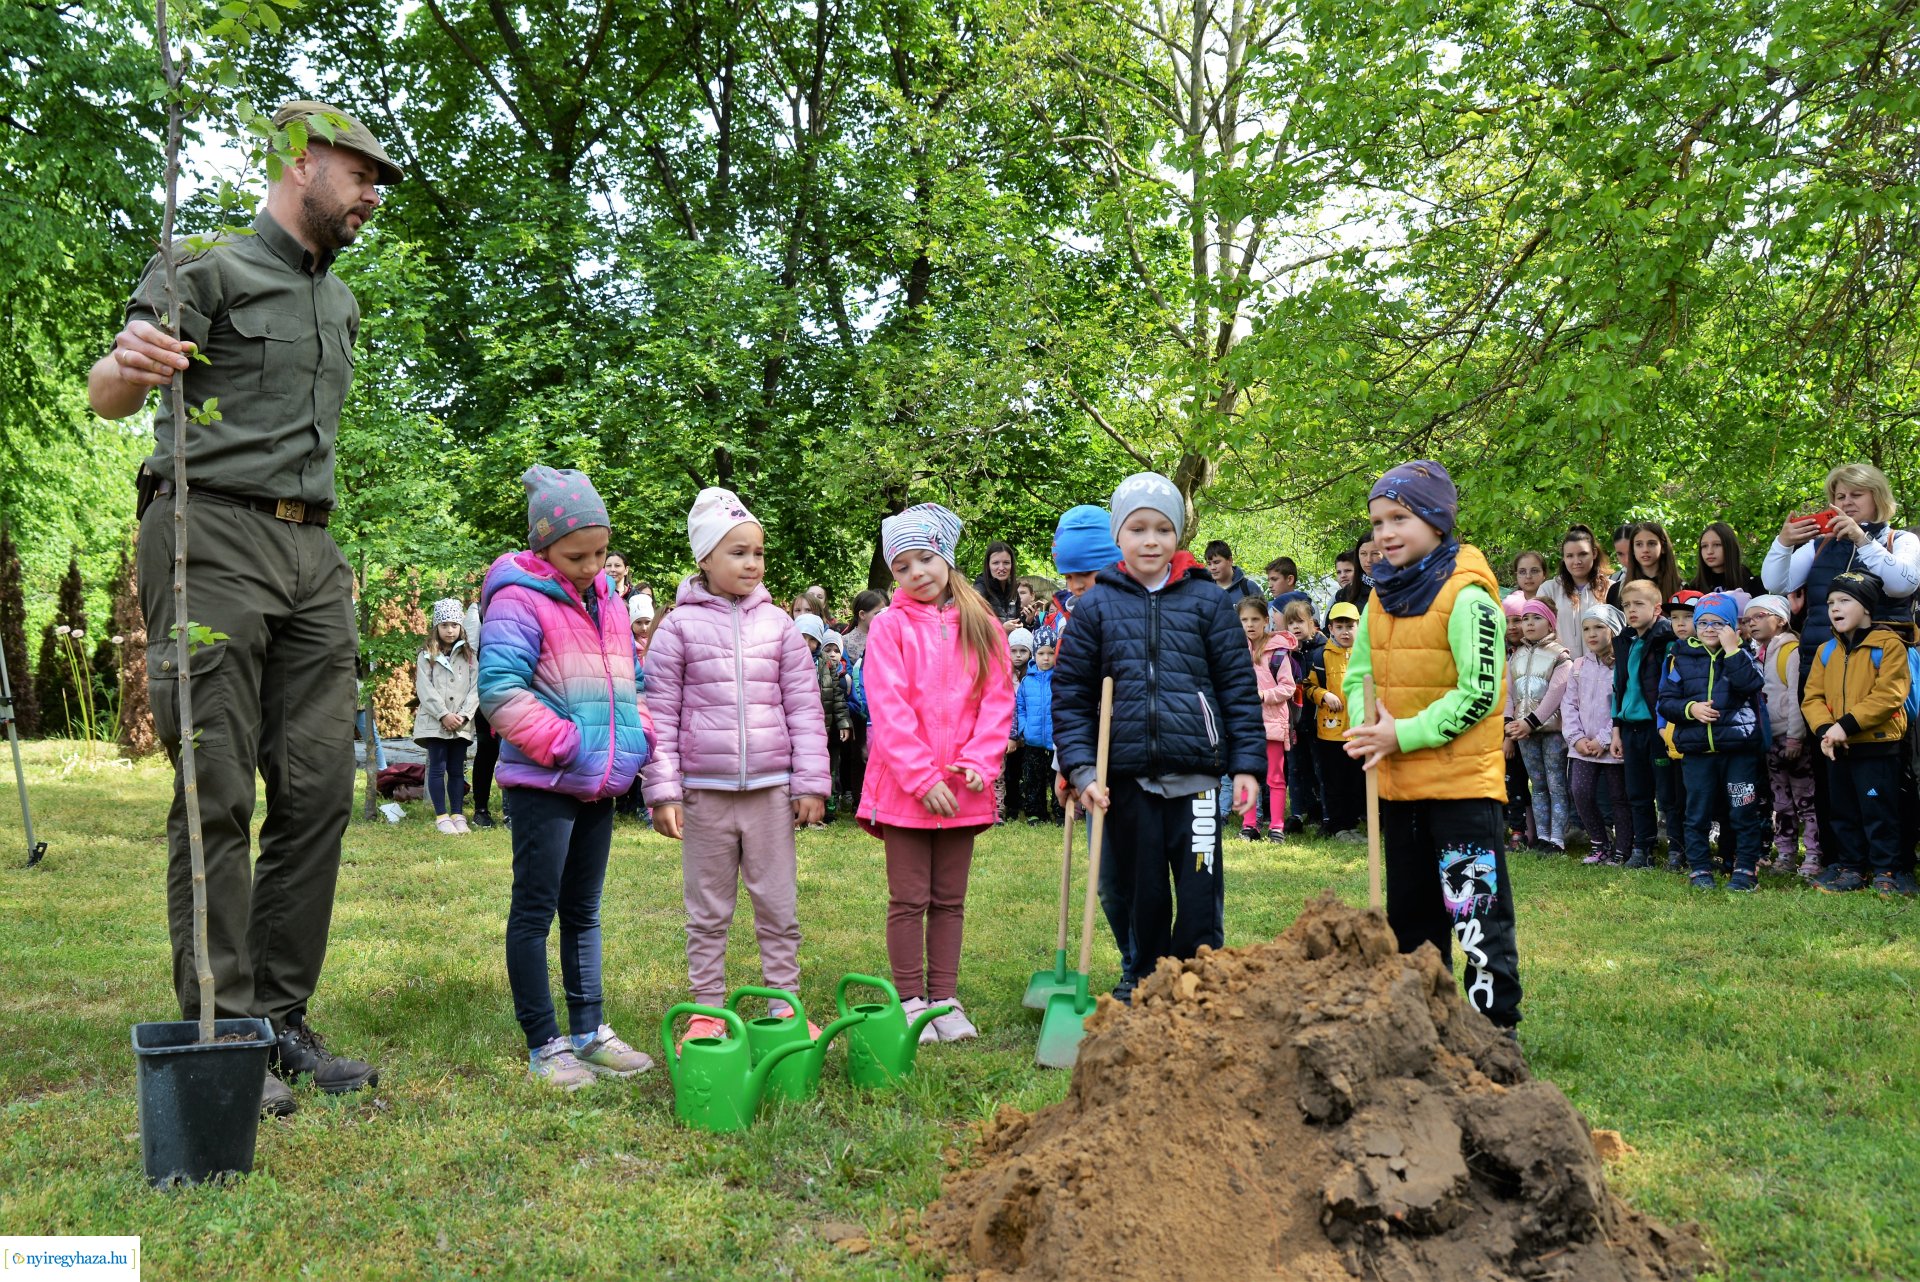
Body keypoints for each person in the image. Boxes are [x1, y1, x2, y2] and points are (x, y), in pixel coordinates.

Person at [87, 100, 400, 1116]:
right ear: (302, 163)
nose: (370, 197)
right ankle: (220, 1035)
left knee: (317, 794)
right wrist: (128, 365)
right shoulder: (203, 270)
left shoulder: (341, 303)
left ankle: (279, 1020)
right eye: (360, 175)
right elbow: (111, 388)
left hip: (314, 550)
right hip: (208, 536)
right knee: (217, 788)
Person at [1054, 473, 1264, 1003]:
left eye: (1163, 529)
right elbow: (1073, 695)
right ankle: (1144, 978)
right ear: (1118, 537)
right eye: (1138, 528)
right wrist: (1082, 769)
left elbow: (1238, 687)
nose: (1151, 540)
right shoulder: (1096, 606)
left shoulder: (1207, 602)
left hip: (1195, 777)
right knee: (1140, 891)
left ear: (1178, 535)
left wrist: (1246, 766)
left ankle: (1197, 980)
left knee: (1198, 890)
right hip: (1127, 779)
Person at [479, 466, 654, 1089]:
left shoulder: (607, 599)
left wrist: (639, 739)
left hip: (598, 782)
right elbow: (499, 692)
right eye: (577, 554)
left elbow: (628, 683)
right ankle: (544, 1041)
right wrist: (567, 745)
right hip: (543, 782)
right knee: (535, 910)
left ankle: (589, 1030)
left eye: (601, 552)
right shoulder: (516, 598)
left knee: (584, 911)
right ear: (542, 547)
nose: (591, 565)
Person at [641, 488, 831, 1041]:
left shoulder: (779, 627)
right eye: (738, 552)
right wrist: (664, 791)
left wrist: (811, 783)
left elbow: (804, 710)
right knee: (708, 910)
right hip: (704, 794)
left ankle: (784, 1005)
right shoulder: (676, 629)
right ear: (704, 558)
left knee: (778, 904)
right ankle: (706, 1009)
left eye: (758, 553)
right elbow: (661, 715)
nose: (752, 563)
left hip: (772, 792)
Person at [1341, 460, 1520, 1030]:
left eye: (1400, 517)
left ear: (1438, 521)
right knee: (1410, 919)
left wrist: (1403, 733)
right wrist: (1364, 726)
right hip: (1399, 791)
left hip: (1462, 791)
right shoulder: (1377, 598)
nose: (1385, 533)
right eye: (1377, 522)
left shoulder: (1470, 598)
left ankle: (1493, 1030)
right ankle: (1425, 1027)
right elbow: (1355, 675)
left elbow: (1481, 694)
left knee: (1476, 920)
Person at [860, 504, 1015, 1041]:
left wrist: (980, 760)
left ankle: (944, 1000)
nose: (916, 573)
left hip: (963, 789)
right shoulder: (888, 628)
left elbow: (997, 701)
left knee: (950, 899)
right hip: (907, 790)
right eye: (901, 567)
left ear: (946, 557)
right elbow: (889, 708)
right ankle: (909, 1002)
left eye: (925, 558)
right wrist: (921, 778)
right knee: (909, 899)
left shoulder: (984, 625)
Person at [1802, 571, 1913, 895]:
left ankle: (1887, 868)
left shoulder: (1889, 645)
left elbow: (1889, 694)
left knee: (1879, 811)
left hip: (1877, 747)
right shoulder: (1826, 651)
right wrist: (1826, 730)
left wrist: (1844, 726)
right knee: (1844, 811)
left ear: (1866, 607)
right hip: (1837, 746)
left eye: (1844, 600)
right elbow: (1812, 697)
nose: (1835, 608)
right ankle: (1851, 868)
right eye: (1831, 602)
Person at [1657, 592, 1768, 890]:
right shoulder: (1680, 658)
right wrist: (1689, 709)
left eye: (1719, 623)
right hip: (1697, 752)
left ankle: (1745, 869)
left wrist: (1732, 650)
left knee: (1742, 810)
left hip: (1738, 752)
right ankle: (1700, 869)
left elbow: (1751, 684)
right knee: (1697, 813)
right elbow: (1665, 702)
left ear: (1732, 627)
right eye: (1703, 622)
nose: (1709, 629)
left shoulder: (1743, 655)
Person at [1743, 594, 1819, 877]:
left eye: (1760, 616)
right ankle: (1785, 853)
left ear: (1781, 619)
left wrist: (1795, 738)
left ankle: (1812, 853)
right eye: (1748, 620)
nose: (1752, 623)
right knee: (1781, 801)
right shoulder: (1757, 653)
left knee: (1805, 800)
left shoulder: (1791, 651)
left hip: (1790, 738)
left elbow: (1795, 696)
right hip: (1768, 739)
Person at [1609, 580, 1678, 869]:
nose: (1631, 610)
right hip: (1630, 728)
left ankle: (1677, 848)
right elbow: (1618, 687)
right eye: (1626, 605)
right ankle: (1643, 847)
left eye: (1639, 604)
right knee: (1637, 792)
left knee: (1668, 793)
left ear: (1657, 608)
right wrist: (1616, 729)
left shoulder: (1667, 639)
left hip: (1657, 727)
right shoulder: (1624, 641)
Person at [1504, 599, 1572, 852]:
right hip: (1524, 733)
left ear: (1550, 622)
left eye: (1536, 618)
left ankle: (1557, 839)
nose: (1529, 624)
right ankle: (1542, 837)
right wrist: (1510, 724)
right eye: (1525, 619)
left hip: (1551, 732)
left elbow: (1555, 694)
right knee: (1539, 786)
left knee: (1556, 785)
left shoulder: (1560, 656)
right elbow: (1509, 693)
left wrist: (1530, 722)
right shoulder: (1516, 656)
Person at [1563, 604, 1628, 865]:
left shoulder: (1622, 666)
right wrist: (1576, 738)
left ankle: (1623, 848)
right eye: (1587, 628)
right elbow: (1569, 704)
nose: (1592, 634)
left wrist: (1603, 739)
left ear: (1613, 630)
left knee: (1618, 798)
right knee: (1581, 793)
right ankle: (1599, 843)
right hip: (1582, 748)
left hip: (1611, 745)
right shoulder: (1578, 665)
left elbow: (1622, 704)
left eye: (1599, 627)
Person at [413, 598, 479, 835]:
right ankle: (442, 816)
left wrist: (463, 715)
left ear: (460, 626)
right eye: (444, 625)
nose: (449, 630)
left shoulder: (469, 655)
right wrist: (443, 715)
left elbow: (475, 688)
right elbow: (425, 688)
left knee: (456, 769)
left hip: (460, 724)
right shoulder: (426, 655)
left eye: (453, 624)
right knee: (438, 767)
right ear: (436, 627)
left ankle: (458, 813)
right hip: (435, 722)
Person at [1238, 595, 1294, 842]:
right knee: (1246, 774)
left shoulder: (1278, 652)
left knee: (1275, 777)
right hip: (1245, 724)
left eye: (1255, 619)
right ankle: (1249, 825)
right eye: (1244, 620)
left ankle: (1277, 827)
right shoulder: (1235, 651)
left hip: (1272, 722)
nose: (1249, 625)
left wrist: (1263, 694)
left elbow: (1288, 687)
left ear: (1266, 621)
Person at [1308, 602, 1365, 839]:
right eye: (1339, 626)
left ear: (1359, 626)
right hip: (1330, 732)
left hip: (1360, 729)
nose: (1345, 631)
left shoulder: (1367, 655)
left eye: (1349, 626)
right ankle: (1339, 826)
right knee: (1334, 780)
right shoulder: (1321, 655)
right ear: (1330, 628)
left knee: (1356, 779)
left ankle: (1352, 823)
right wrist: (1324, 695)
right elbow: (1308, 687)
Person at [794, 614, 850, 826]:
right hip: (797, 726)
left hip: (823, 726)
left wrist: (844, 722)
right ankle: (797, 811)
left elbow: (837, 695)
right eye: (802, 637)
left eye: (812, 639)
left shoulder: (825, 662)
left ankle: (827, 811)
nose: (807, 644)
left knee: (826, 768)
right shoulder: (786, 659)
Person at [1534, 524, 1614, 654]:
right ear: (1564, 558)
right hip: (1560, 668)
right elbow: (1539, 634)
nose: (1576, 561)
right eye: (1570, 556)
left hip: (1603, 669)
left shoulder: (1611, 588)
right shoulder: (1548, 590)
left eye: (1582, 554)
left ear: (1594, 553)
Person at [467, 598, 505, 829]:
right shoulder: (479, 613)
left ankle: (512, 811)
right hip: (485, 692)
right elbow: (470, 654)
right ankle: (481, 809)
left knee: (515, 753)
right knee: (487, 751)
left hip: (518, 693)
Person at [1015, 637, 1059, 824]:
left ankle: (1059, 811)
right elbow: (1021, 707)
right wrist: (1024, 727)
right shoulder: (1027, 681)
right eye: (1041, 653)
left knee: (1056, 777)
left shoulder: (1060, 679)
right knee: (1033, 778)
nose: (1046, 658)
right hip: (1033, 740)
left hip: (1055, 740)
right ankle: (1035, 812)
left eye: (1050, 653)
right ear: (1034, 654)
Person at [1689, 523, 1763, 596]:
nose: (1709, 551)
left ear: (1730, 547)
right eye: (1704, 546)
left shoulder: (1751, 583)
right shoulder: (1693, 588)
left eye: (1717, 545)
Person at [1623, 521, 1683, 604]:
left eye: (1651, 543)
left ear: (1663, 547)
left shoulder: (1681, 588)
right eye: (1639, 544)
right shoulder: (1618, 589)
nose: (1645, 550)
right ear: (1632, 549)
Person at [974, 541, 1023, 633]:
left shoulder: (1013, 591)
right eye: (996, 563)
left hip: (1009, 646)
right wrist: (1001, 629)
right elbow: (973, 626)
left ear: (1012, 565)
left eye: (1006, 563)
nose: (1001, 568)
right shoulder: (980, 590)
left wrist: (1027, 621)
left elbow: (1017, 622)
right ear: (988, 566)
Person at [1263, 556, 1313, 625]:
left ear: (1290, 580)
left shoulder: (1307, 605)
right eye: (1269, 581)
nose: (1270, 585)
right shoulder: (1268, 607)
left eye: (1274, 579)